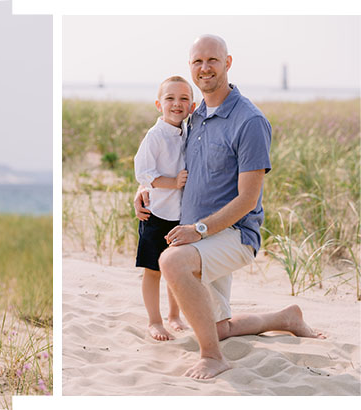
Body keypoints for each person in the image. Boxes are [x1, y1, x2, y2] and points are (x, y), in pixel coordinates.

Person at [135, 34, 324, 380]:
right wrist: (143, 189)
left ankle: (213, 357)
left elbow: (248, 199)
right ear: (191, 67)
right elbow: (164, 163)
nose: (204, 68)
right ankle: (286, 319)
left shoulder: (249, 121)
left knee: (171, 261)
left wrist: (199, 230)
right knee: (216, 325)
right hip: (199, 236)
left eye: (212, 60)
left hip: (233, 234)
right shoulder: (194, 115)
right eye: (197, 62)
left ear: (228, 63)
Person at [131, 76, 193, 341]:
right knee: (153, 270)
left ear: (192, 106)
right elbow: (143, 172)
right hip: (157, 214)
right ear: (159, 104)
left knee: (176, 269)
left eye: (183, 99)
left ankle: (174, 315)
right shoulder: (155, 136)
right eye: (170, 98)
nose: (176, 104)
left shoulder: (188, 131)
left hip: (181, 216)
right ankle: (155, 320)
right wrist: (172, 182)